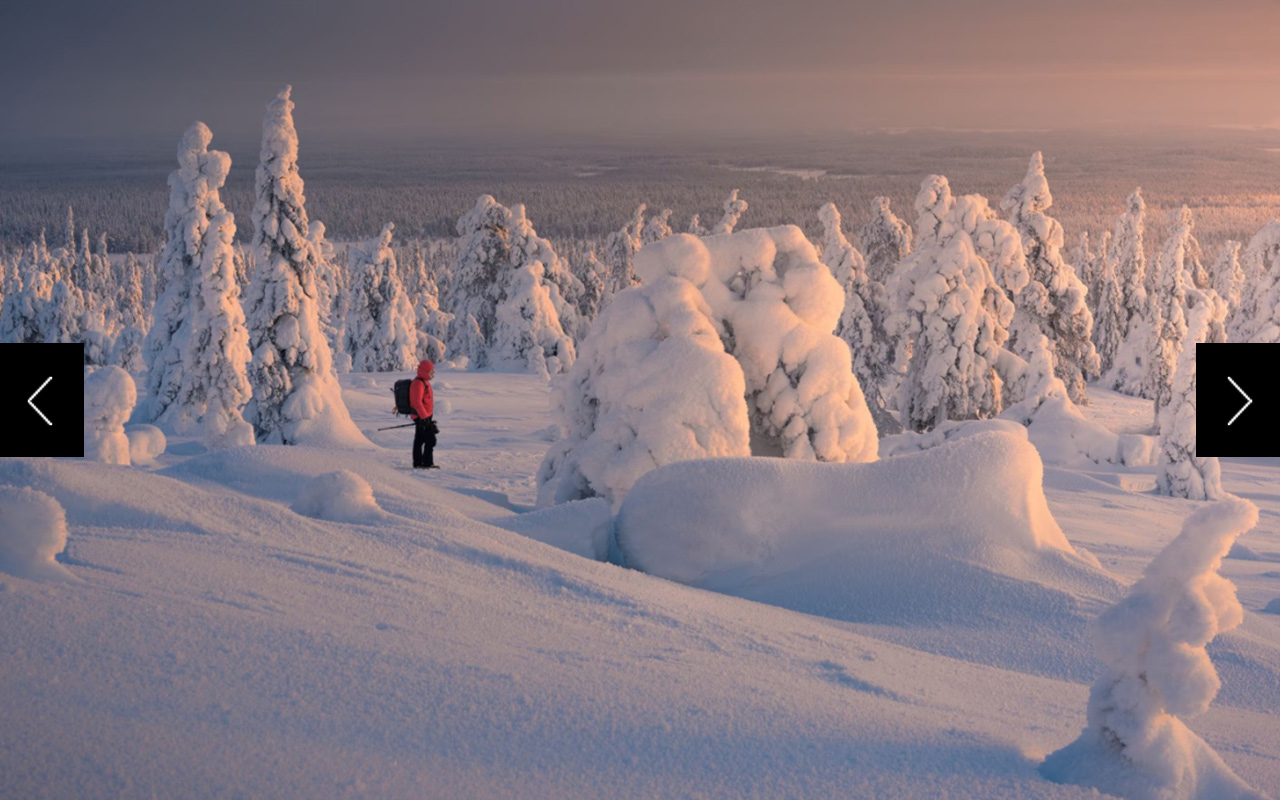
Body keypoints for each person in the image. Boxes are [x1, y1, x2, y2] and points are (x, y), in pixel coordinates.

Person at [409, 360, 439, 469]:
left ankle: (418, 463)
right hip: (421, 416)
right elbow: (417, 402)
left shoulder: (424, 382)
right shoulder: (418, 383)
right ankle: (426, 463)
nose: (432, 374)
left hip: (424, 416)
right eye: (430, 372)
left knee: (420, 439)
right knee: (430, 440)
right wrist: (424, 417)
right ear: (425, 371)